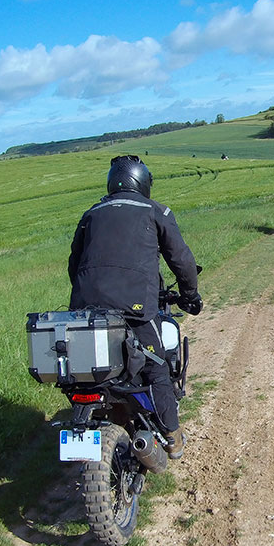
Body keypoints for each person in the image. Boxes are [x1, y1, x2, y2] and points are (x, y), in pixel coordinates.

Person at [68, 155, 202, 459]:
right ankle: (172, 434)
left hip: (87, 311)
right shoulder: (155, 211)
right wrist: (190, 294)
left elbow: (74, 264)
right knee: (156, 368)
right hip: (135, 308)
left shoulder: (91, 213)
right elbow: (181, 260)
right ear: (142, 182)